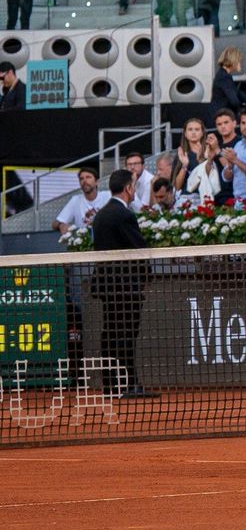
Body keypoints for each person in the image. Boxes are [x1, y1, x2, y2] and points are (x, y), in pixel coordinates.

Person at [90, 170, 154, 399]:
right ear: (128, 188)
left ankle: (111, 385)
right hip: (125, 288)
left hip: (108, 288)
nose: (134, 190)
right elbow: (138, 250)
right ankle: (129, 385)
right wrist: (146, 277)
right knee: (126, 334)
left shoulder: (101, 215)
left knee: (110, 333)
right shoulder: (123, 215)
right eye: (134, 186)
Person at [54, 168, 109, 235]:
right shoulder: (75, 200)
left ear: (96, 182)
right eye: (81, 179)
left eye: (88, 177)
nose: (84, 181)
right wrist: (61, 225)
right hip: (85, 243)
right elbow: (55, 223)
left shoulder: (108, 196)